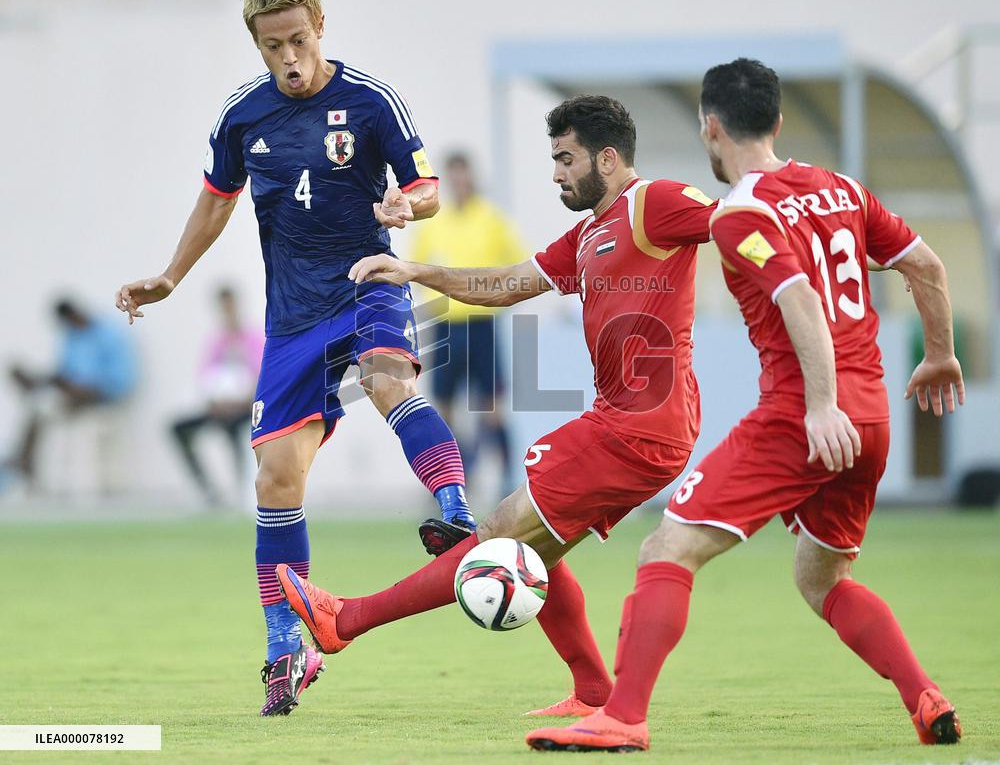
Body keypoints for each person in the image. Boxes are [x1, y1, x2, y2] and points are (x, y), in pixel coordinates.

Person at [526, 59, 965, 753]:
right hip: (874, 417)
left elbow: (796, 299)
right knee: (822, 580)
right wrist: (939, 353)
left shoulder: (739, 213)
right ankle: (925, 697)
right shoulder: (840, 190)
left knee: (668, 546)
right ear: (779, 121)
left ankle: (624, 717)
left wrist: (820, 405)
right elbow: (927, 267)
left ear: (710, 126)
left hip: (805, 417)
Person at [271, 95, 718, 718]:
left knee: (500, 535)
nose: (556, 173)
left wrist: (804, 270)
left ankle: (346, 619)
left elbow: (739, 222)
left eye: (565, 159)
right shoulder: (590, 233)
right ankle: (593, 690)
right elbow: (507, 283)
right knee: (534, 548)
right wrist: (414, 271)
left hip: (641, 427)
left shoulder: (655, 201)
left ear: (608, 158)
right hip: (626, 424)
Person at [113, 0, 477, 717]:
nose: (290, 56)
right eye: (274, 45)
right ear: (257, 44)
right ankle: (287, 647)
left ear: (320, 28)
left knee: (385, 374)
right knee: (276, 479)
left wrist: (403, 203)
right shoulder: (242, 117)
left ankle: (455, 512)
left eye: (300, 40)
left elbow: (429, 186)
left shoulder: (370, 100)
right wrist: (171, 278)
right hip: (292, 319)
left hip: (370, 279)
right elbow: (215, 203)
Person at [409, 152, 526, 497]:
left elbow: (519, 264)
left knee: (492, 410)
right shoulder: (436, 222)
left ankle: (509, 481)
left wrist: (497, 293)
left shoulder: (491, 219)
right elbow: (416, 268)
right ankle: (452, 481)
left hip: (482, 324)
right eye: (454, 177)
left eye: (464, 176)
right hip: (446, 326)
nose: (460, 183)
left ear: (472, 178)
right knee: (443, 411)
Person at [3, 297, 137, 493]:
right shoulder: (71, 336)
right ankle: (24, 461)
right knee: (40, 404)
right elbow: (65, 373)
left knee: (45, 406)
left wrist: (84, 388)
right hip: (71, 394)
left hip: (104, 396)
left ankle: (23, 460)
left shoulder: (110, 334)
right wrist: (45, 380)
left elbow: (121, 380)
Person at [169, 287, 264, 506]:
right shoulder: (216, 340)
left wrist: (240, 402)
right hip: (219, 407)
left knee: (236, 430)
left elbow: (261, 376)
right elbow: (205, 378)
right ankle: (206, 489)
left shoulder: (253, 337)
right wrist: (214, 402)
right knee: (178, 429)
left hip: (246, 407)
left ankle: (244, 489)